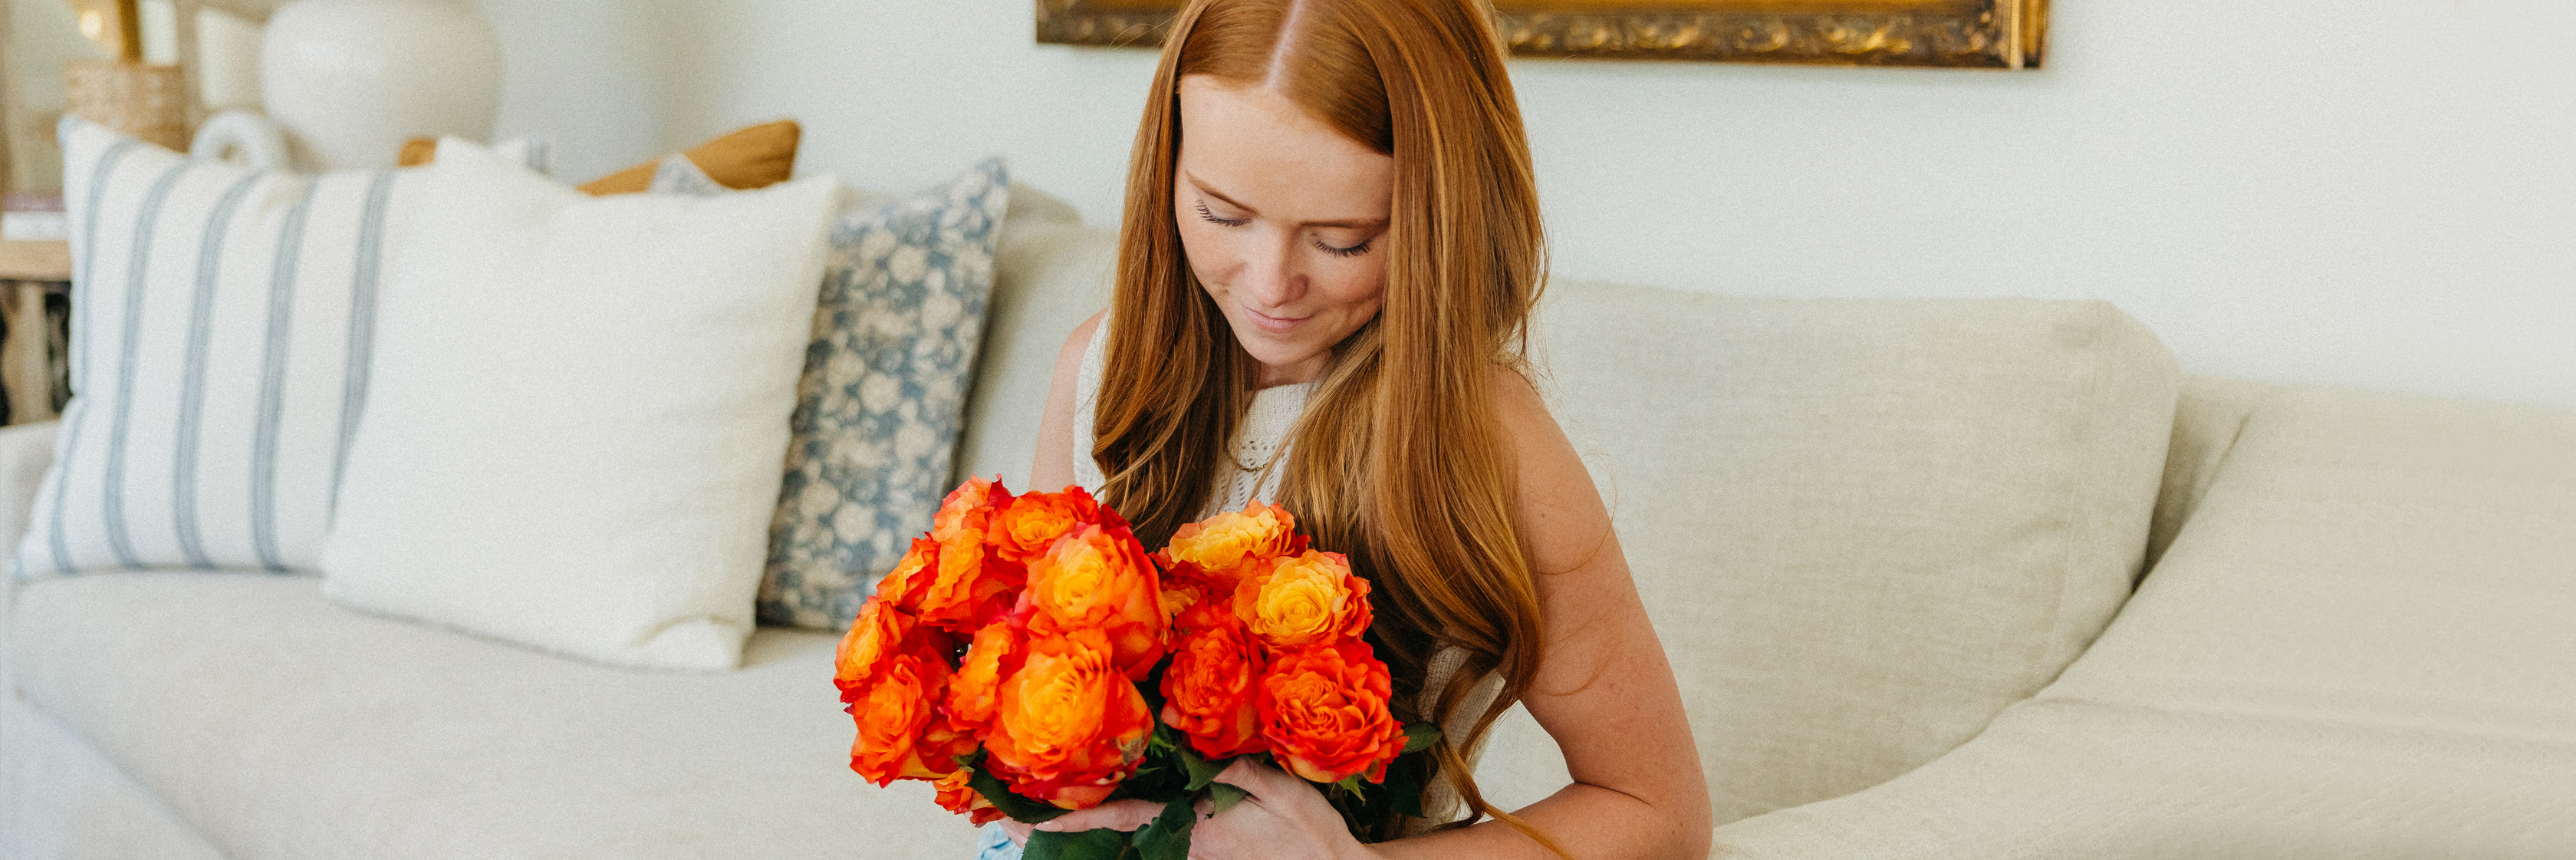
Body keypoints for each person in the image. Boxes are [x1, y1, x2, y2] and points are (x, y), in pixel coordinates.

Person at [982, 0, 1711, 856]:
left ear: (1438, 220)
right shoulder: (1096, 373)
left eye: (1341, 240)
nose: (1268, 283)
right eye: (1221, 213)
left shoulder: (1489, 442)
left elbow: (1656, 808)